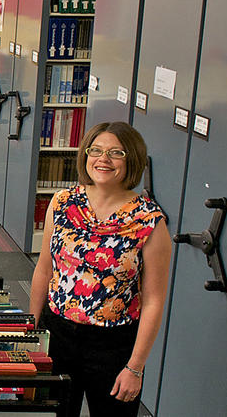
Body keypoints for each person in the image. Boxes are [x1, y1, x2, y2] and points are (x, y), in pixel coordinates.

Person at [28, 121, 172, 417]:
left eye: (116, 153)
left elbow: (154, 300)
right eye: (96, 150)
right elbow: (44, 268)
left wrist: (136, 366)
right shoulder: (63, 202)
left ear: (132, 159)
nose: (103, 159)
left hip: (113, 345)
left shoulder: (149, 221)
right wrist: (32, 331)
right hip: (58, 333)